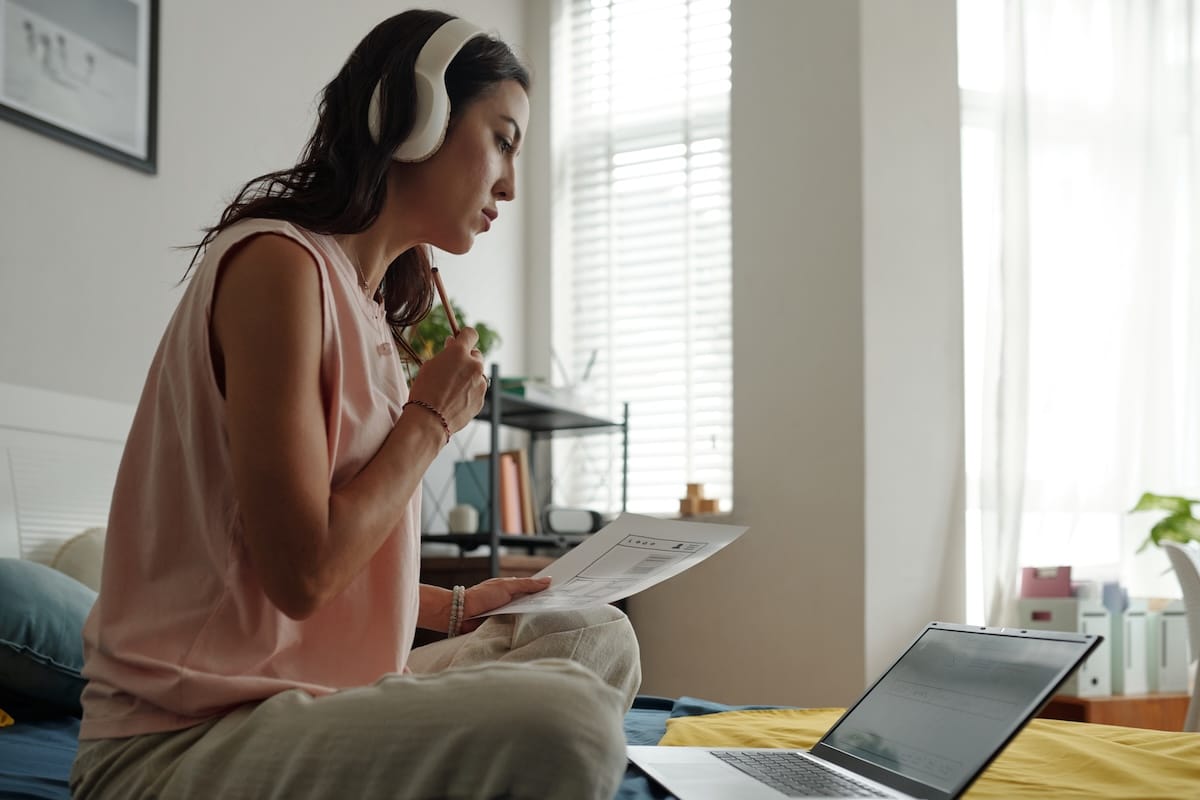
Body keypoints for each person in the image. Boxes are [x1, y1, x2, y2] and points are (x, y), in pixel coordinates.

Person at [69, 10, 641, 800]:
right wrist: (431, 422)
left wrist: (458, 606)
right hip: (180, 739)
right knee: (570, 725)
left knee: (593, 637)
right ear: (417, 116)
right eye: (503, 139)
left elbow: (316, 571)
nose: (510, 183)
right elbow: (301, 575)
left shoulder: (369, 309)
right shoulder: (277, 264)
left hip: (315, 699)